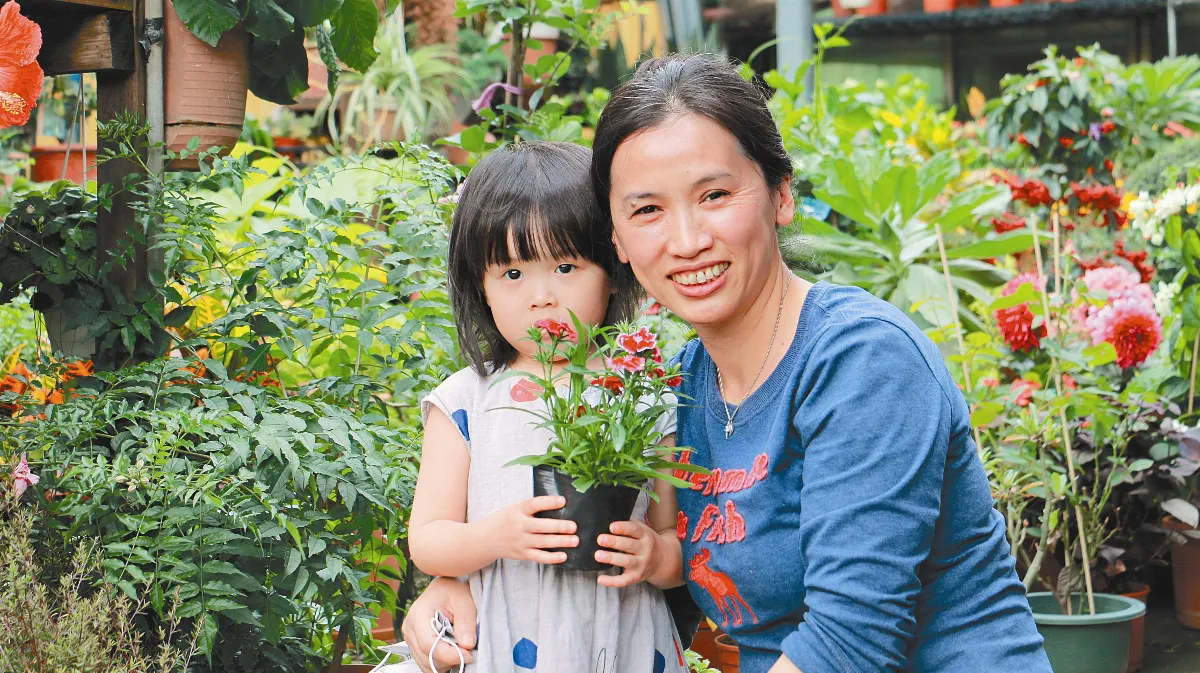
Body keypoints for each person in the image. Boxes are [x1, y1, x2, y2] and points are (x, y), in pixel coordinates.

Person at [405, 55, 1053, 673]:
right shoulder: (679, 389)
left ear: (780, 196)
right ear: (620, 241)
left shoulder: (864, 361)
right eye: (648, 209)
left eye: (714, 194)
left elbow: (853, 642)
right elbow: (667, 586)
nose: (686, 240)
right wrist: (448, 583)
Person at [407, 141, 689, 673]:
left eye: (565, 266)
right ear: (481, 287)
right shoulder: (466, 402)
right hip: (505, 638)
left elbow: (673, 540)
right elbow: (428, 540)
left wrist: (654, 556)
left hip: (623, 638)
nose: (541, 297)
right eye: (512, 274)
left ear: (612, 267)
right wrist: (494, 537)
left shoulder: (643, 395)